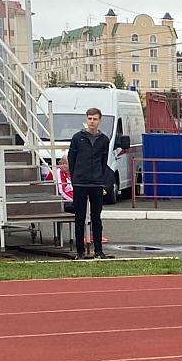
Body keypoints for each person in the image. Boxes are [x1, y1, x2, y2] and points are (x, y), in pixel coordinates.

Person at [67, 107, 112, 259]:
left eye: (95, 119)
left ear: (100, 120)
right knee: (79, 218)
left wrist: (102, 181)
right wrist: (75, 179)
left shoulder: (104, 140)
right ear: (86, 119)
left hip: (96, 183)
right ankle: (79, 252)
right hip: (80, 183)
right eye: (90, 119)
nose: (92, 122)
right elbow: (71, 160)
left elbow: (104, 161)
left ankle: (98, 251)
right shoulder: (77, 138)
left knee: (96, 218)